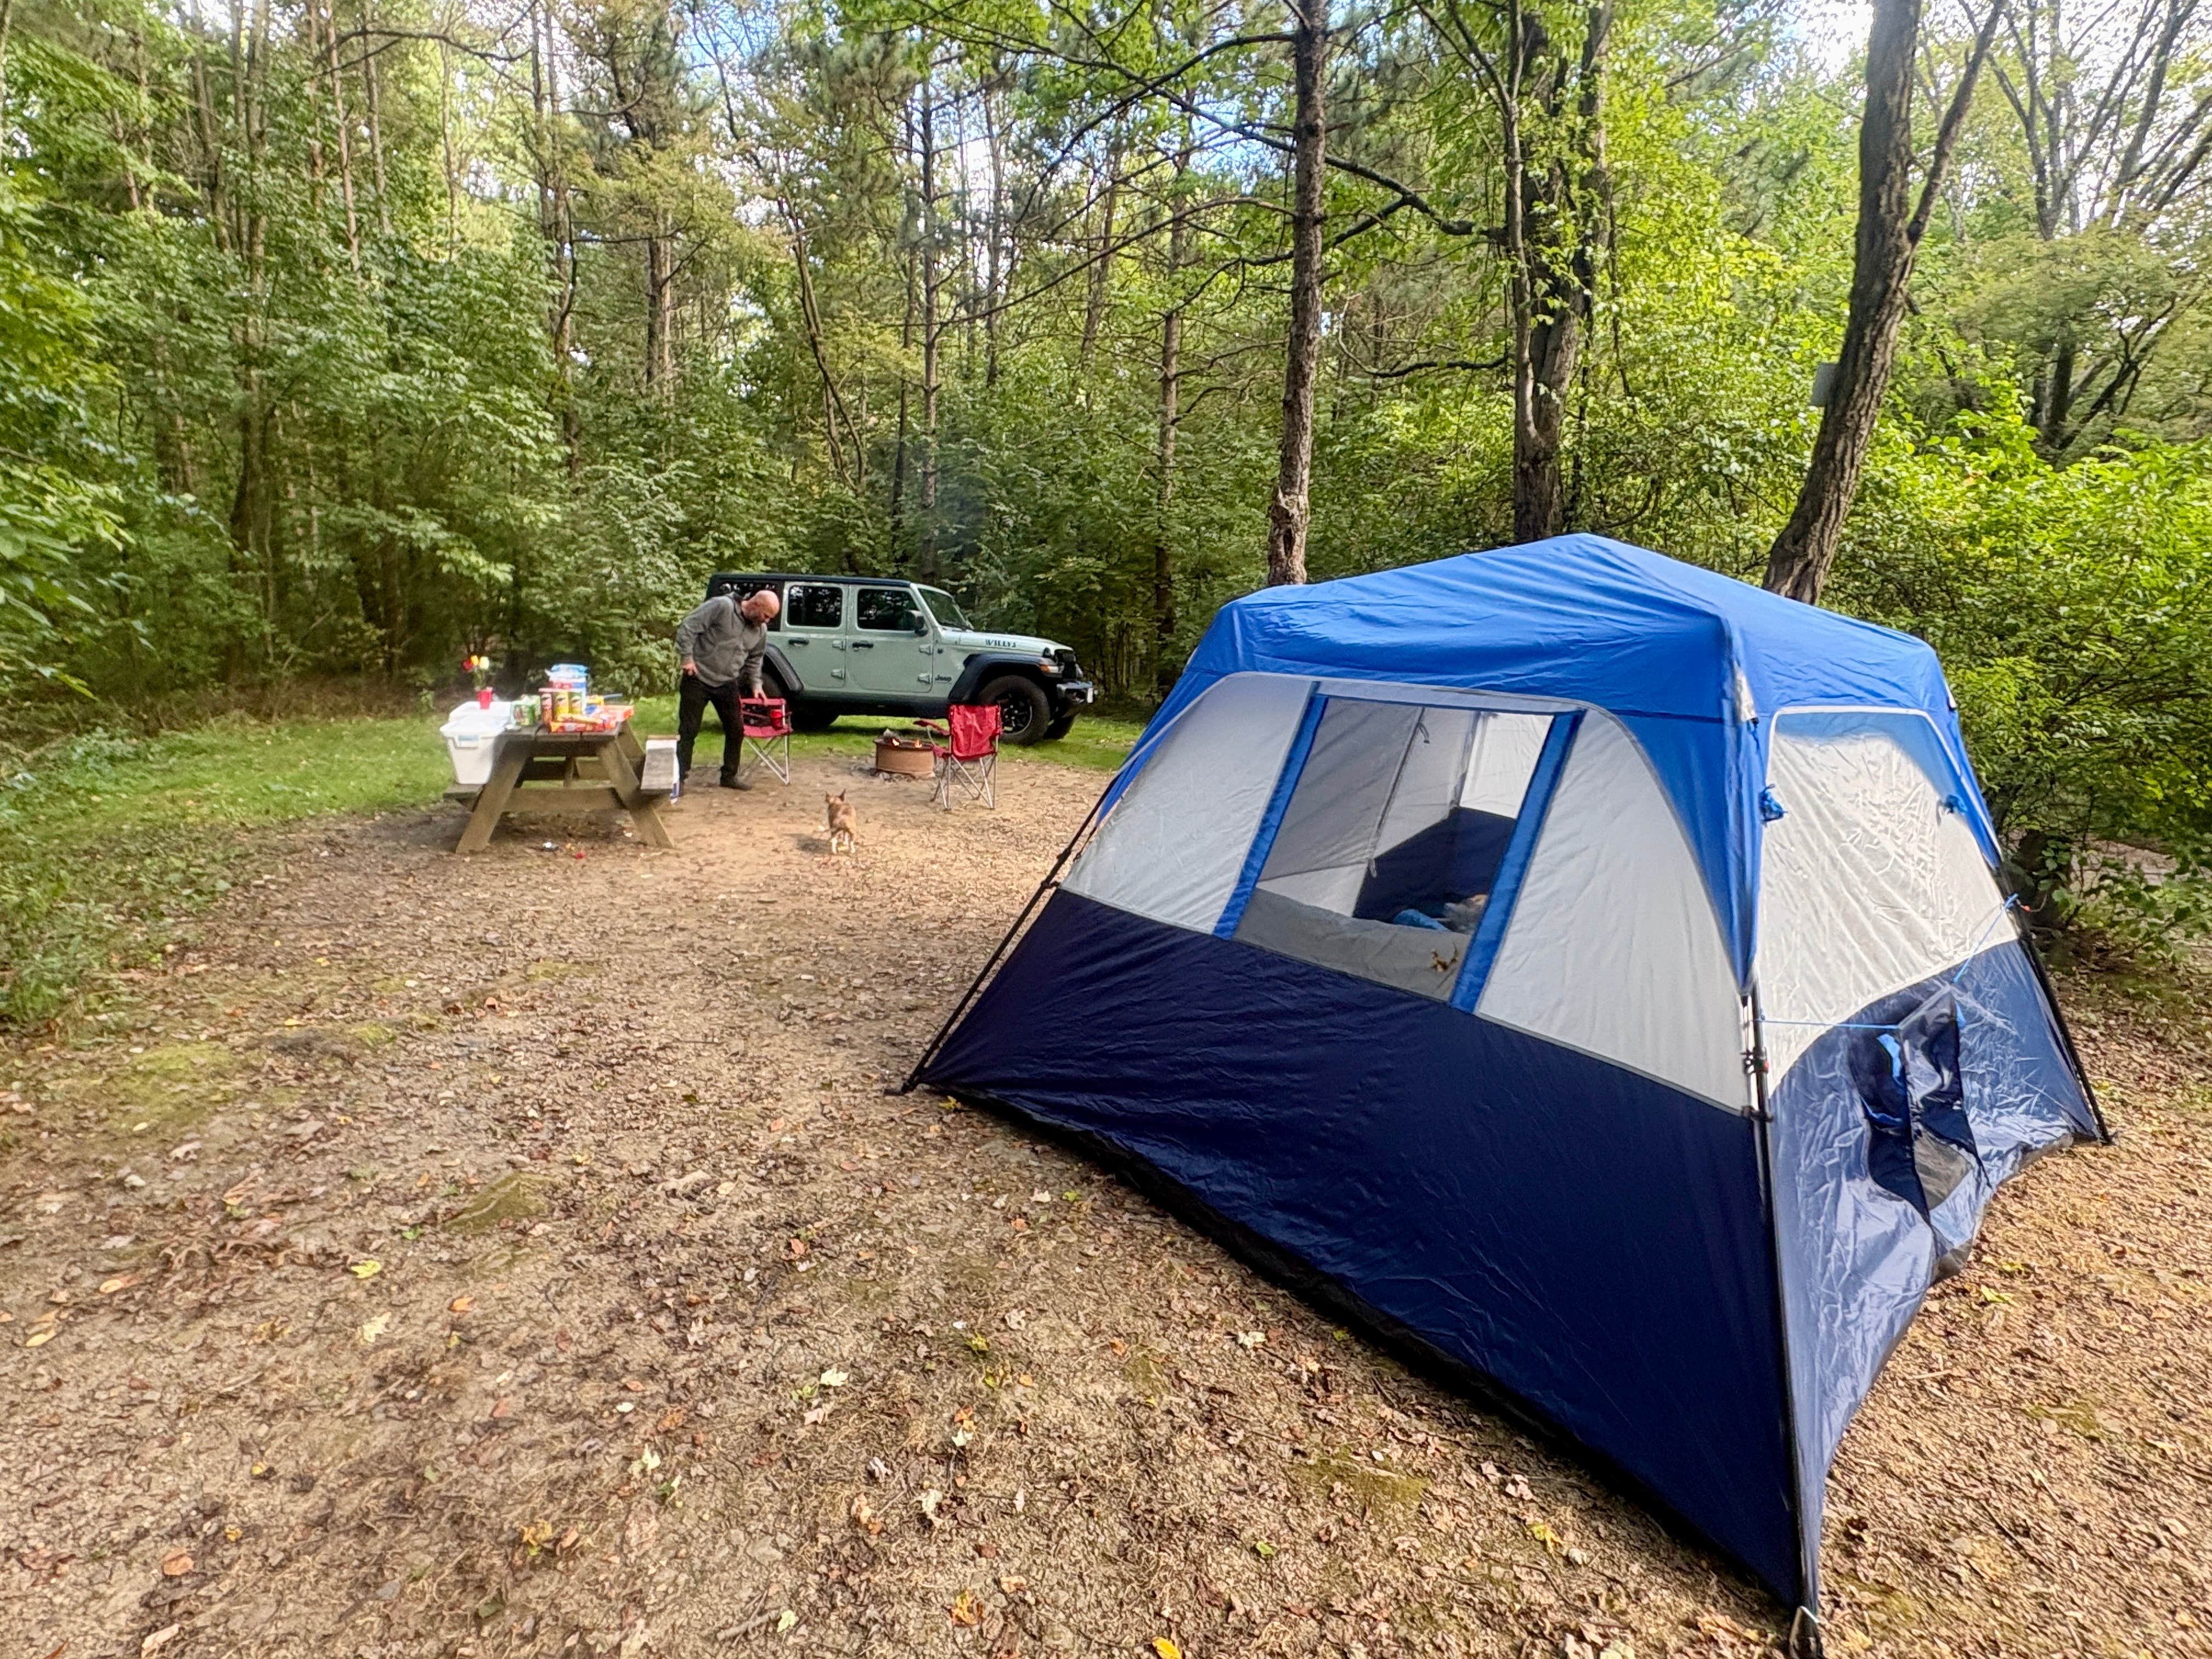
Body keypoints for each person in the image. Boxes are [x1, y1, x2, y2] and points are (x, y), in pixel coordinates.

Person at [673, 586, 780, 789]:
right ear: (756, 604)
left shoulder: (760, 630)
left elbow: (755, 659)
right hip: (697, 677)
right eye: (766, 616)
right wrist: (687, 658)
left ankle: (729, 776)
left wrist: (756, 684)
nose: (767, 621)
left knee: (736, 729)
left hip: (728, 682)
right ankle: (679, 778)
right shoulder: (722, 606)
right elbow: (689, 626)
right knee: (688, 730)